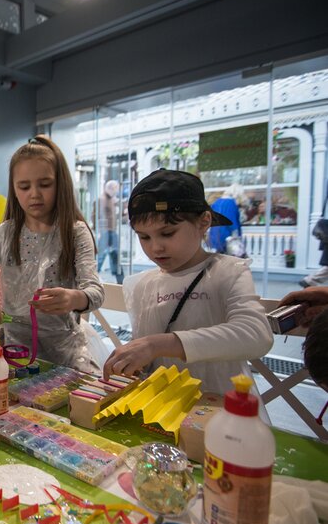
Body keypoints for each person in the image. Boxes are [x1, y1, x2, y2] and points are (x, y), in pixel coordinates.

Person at [103, 168, 273, 394]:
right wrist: (134, 360)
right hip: (160, 406)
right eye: (144, 237)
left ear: (204, 222)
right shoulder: (142, 285)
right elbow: (145, 348)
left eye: (168, 233)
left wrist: (157, 344)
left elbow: (255, 334)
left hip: (220, 406)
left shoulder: (228, 272)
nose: (155, 247)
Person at [0, 136, 104, 370]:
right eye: (24, 186)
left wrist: (73, 298)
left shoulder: (74, 232)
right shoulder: (6, 233)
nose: (34, 194)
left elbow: (95, 292)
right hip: (16, 354)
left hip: (65, 357)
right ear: (14, 189)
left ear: (60, 184)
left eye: (45, 184)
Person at [96, 179, 124, 284]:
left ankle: (121, 281)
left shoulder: (112, 200)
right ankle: (92, 278)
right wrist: (100, 231)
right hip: (105, 232)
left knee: (115, 256)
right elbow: (97, 216)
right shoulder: (101, 199)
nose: (115, 191)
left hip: (111, 231)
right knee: (101, 256)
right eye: (114, 189)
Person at [208, 185, 244, 256]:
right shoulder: (231, 203)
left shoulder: (216, 202)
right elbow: (232, 221)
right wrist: (237, 235)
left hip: (214, 235)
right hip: (227, 236)